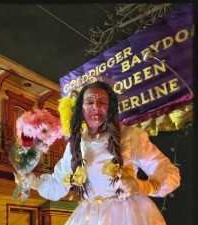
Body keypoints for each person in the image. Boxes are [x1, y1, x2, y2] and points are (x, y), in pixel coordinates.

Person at [15, 81, 180, 225]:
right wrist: (34, 182)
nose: (96, 106)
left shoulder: (130, 136)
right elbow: (58, 186)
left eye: (103, 101)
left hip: (128, 216)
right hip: (89, 217)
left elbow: (169, 172)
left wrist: (143, 186)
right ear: (81, 109)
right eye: (90, 102)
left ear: (111, 108)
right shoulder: (75, 145)